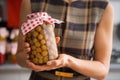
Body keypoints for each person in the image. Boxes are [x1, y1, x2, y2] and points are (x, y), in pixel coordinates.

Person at [16, 0, 114, 80]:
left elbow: (102, 71)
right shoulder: (31, 2)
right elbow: (20, 58)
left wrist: (68, 61)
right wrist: (29, 56)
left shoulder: (103, 7)